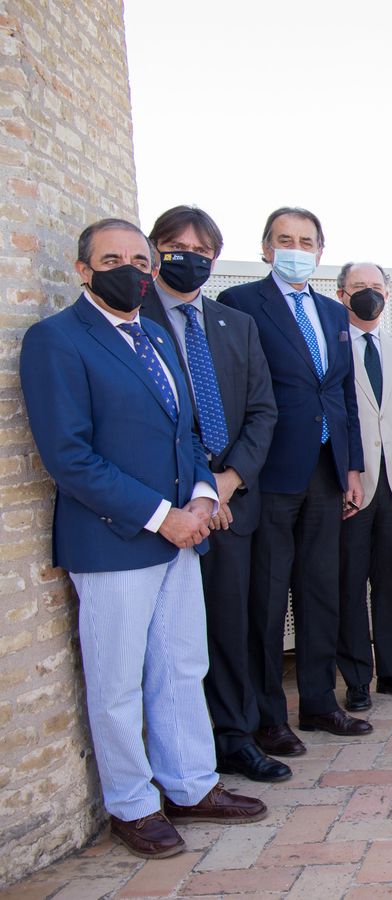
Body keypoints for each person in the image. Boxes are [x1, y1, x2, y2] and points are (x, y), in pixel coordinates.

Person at [22, 218, 265, 858]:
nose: (129, 269)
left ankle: (191, 785)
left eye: (137, 259)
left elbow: (183, 433)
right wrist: (163, 515)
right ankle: (133, 804)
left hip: (182, 535)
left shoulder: (155, 335)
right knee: (117, 679)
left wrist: (205, 496)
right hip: (113, 544)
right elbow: (70, 458)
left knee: (182, 666)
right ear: (83, 269)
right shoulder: (56, 342)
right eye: (112, 258)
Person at [139, 206, 286, 784]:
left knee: (231, 626)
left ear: (215, 259)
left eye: (201, 250)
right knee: (172, 641)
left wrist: (226, 483)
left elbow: (261, 411)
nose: (189, 257)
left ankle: (234, 737)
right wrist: (202, 491)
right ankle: (176, 751)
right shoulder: (135, 317)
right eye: (175, 246)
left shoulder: (233, 325)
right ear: (154, 251)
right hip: (171, 509)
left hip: (233, 504)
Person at [218, 207, 371, 755]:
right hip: (270, 473)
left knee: (319, 590)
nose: (295, 248)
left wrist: (351, 467)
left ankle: (319, 703)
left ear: (320, 252)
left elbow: (343, 394)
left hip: (327, 472)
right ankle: (267, 717)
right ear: (265, 249)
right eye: (285, 240)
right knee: (267, 597)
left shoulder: (335, 313)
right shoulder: (240, 305)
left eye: (306, 241)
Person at [336, 262, 392, 710]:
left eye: (375, 287)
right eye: (359, 287)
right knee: (350, 582)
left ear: (387, 294)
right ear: (341, 294)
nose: (369, 294)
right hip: (352, 484)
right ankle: (356, 679)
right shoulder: (332, 346)